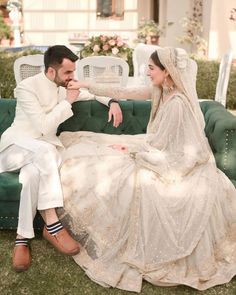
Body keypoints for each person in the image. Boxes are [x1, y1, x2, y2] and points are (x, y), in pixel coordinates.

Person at [57, 47, 236, 292]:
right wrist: (86, 84)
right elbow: (125, 91)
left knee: (107, 167)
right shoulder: (163, 89)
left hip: (167, 158)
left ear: (168, 72)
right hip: (153, 146)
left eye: (151, 68)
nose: (147, 72)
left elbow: (178, 154)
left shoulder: (178, 105)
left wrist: (133, 152)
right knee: (85, 148)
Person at [0, 45, 122, 272]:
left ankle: (21, 239)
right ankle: (52, 223)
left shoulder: (63, 86)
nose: (72, 77)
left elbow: (93, 92)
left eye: (73, 72)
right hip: (15, 147)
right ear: (50, 71)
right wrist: (68, 101)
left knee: (32, 175)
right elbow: (43, 126)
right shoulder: (26, 88)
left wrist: (112, 102)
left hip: (38, 156)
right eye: (67, 73)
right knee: (48, 152)